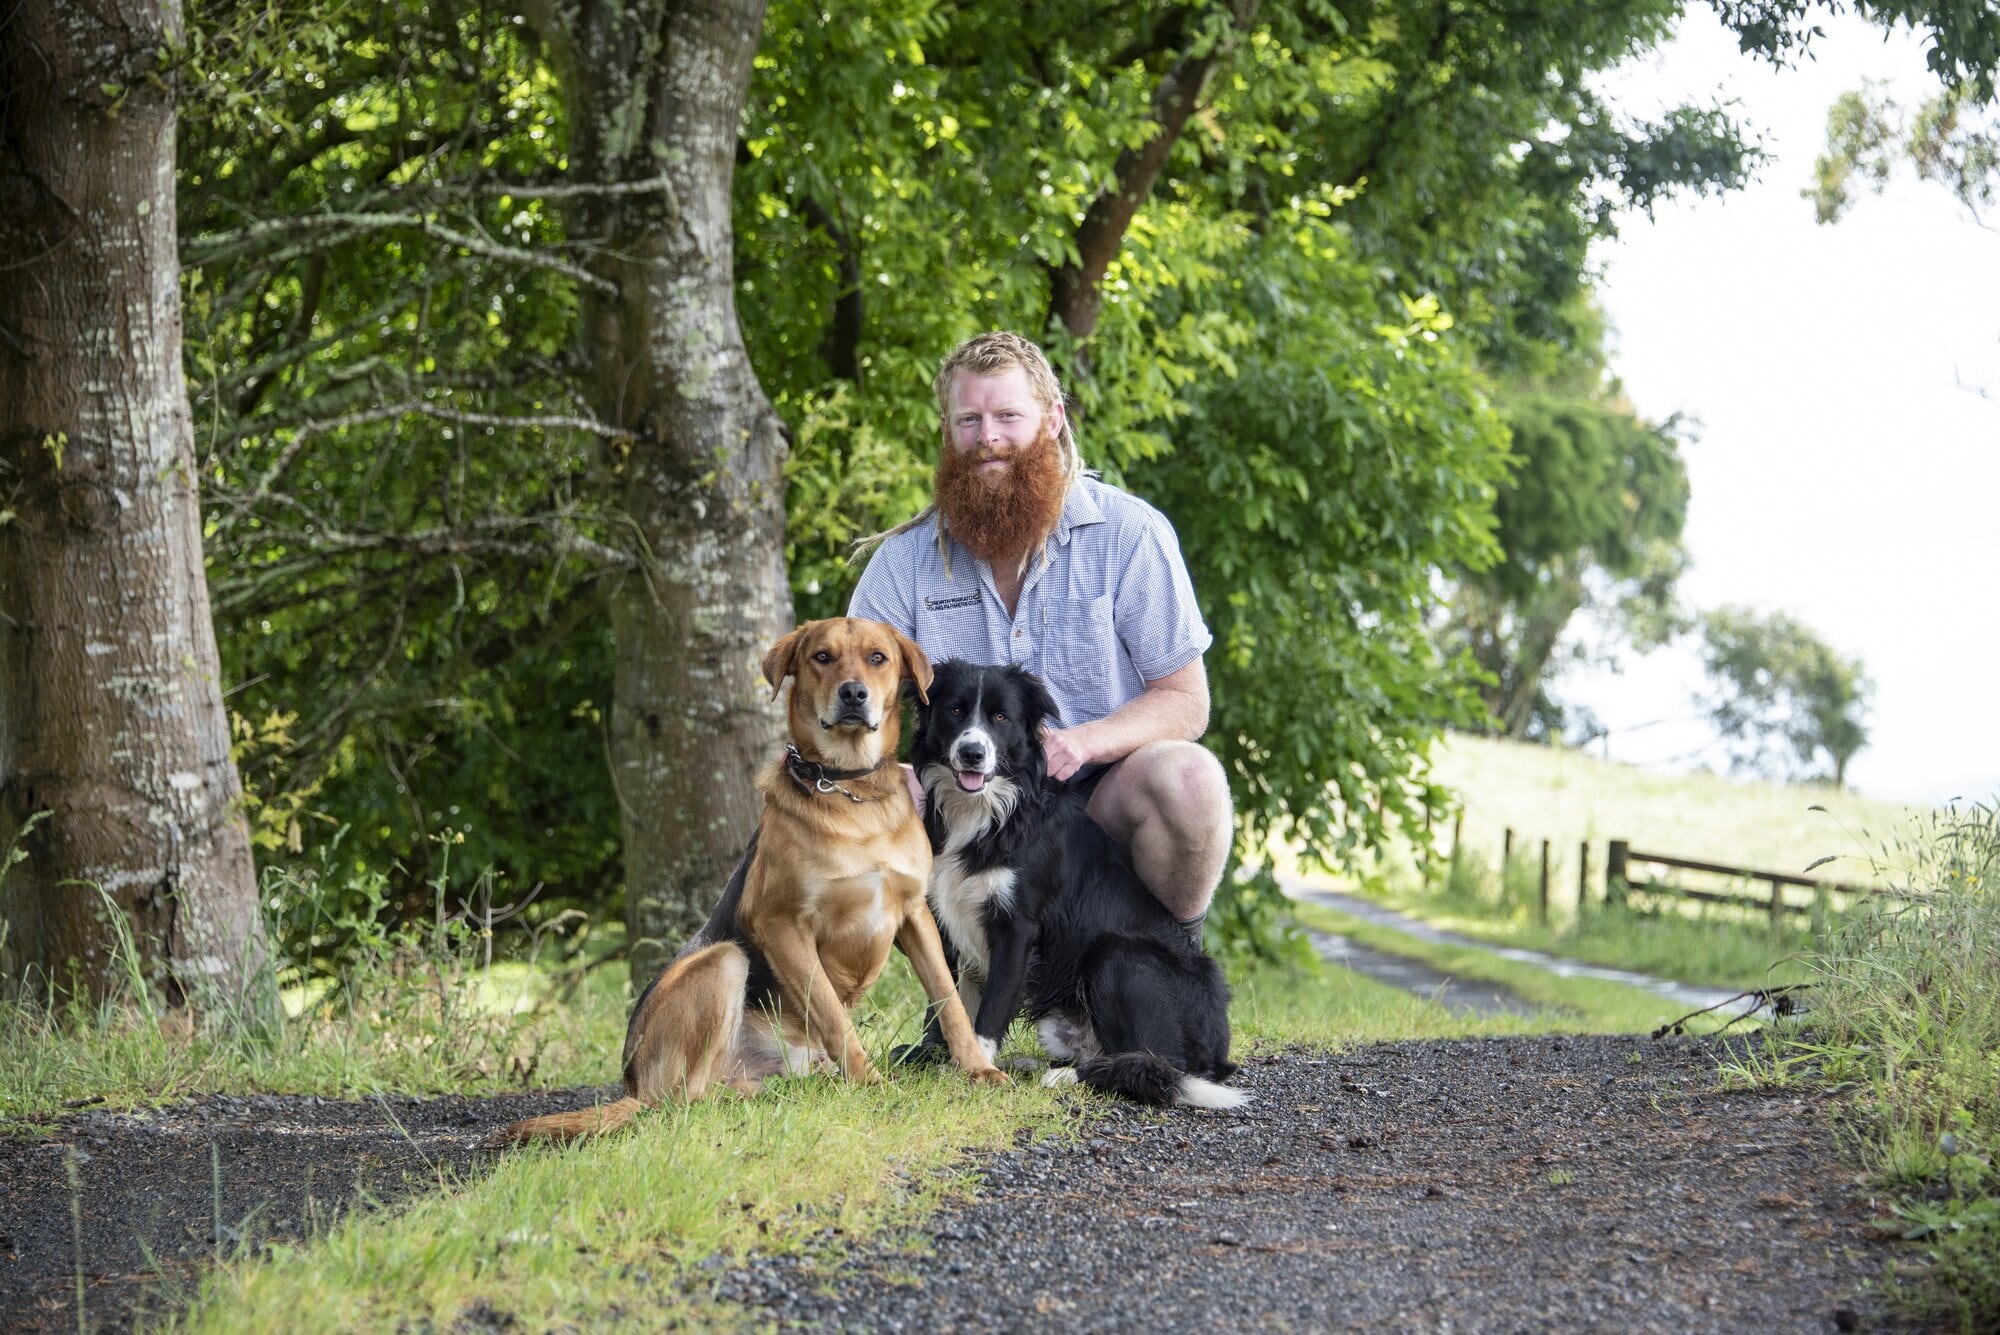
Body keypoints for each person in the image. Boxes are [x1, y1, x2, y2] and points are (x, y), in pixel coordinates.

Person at [849, 331, 1230, 944]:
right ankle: (946, 999)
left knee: (1191, 780)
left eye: (1007, 416)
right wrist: (893, 776)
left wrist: (1084, 743)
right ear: (947, 430)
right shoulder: (902, 563)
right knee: (858, 794)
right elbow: (854, 700)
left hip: (1094, 801)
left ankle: (1169, 968)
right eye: (968, 419)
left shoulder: (1131, 535)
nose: (988, 437)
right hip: (960, 808)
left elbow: (1187, 701)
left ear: (1051, 419)